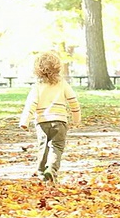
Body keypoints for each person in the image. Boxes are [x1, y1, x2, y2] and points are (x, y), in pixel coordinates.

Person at [19, 51, 82, 183]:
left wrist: (25, 121)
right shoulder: (63, 84)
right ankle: (51, 169)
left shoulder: (37, 86)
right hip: (60, 121)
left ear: (37, 70)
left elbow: (31, 104)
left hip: (42, 122)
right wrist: (76, 119)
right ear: (58, 68)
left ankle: (42, 172)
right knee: (57, 146)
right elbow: (73, 100)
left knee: (43, 146)